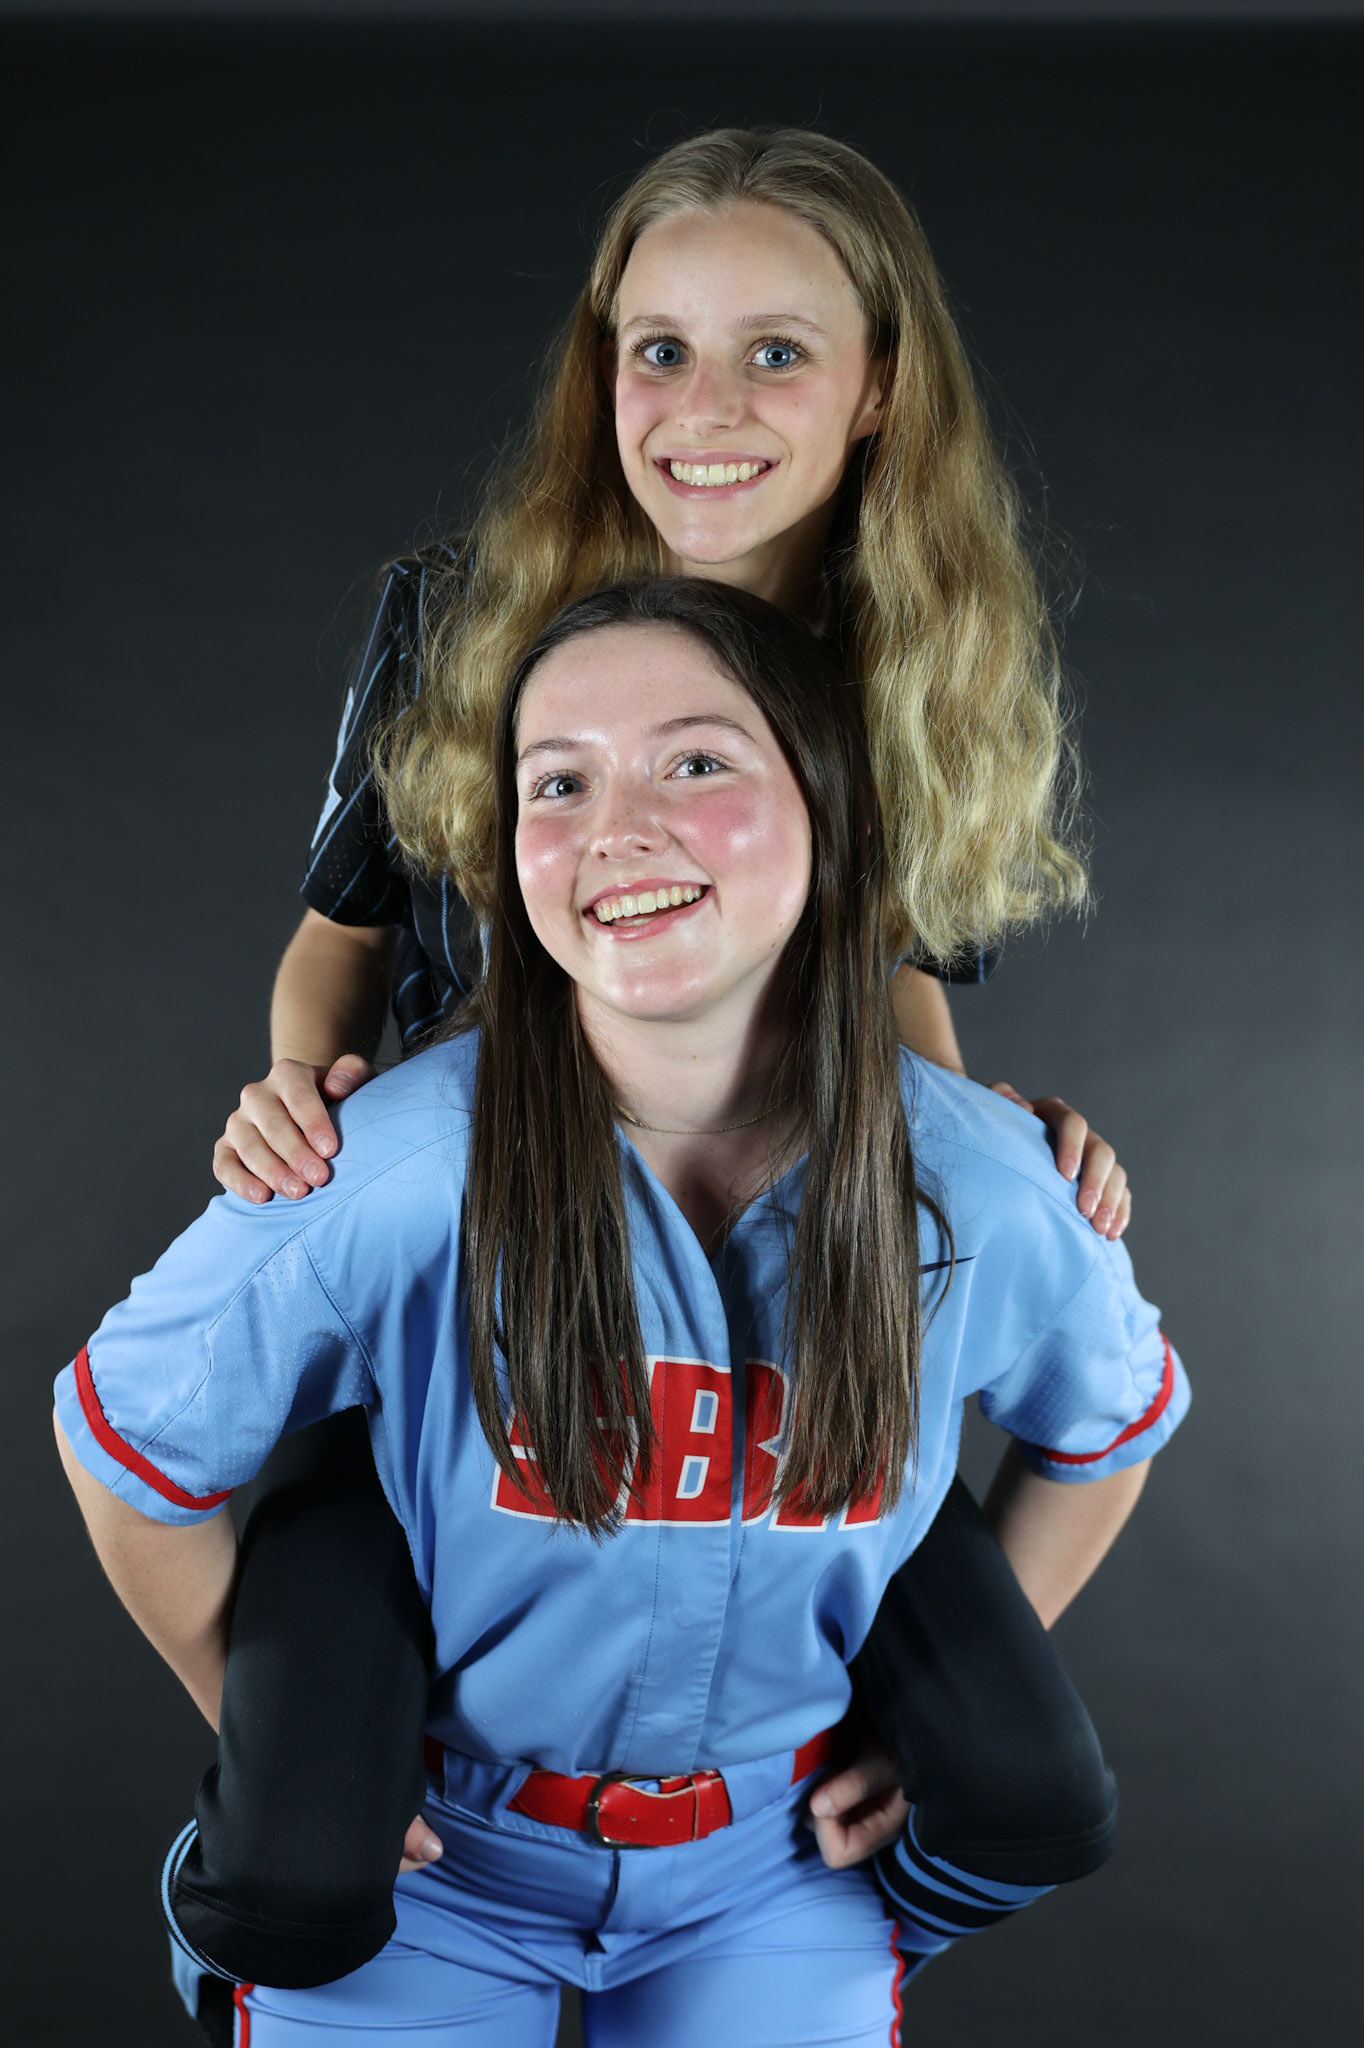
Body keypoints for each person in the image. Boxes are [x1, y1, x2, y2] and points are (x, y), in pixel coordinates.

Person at [164, 127, 1141, 2028]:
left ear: (878, 394)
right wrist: (305, 1098)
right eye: (658, 348)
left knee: (1023, 1785)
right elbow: (336, 940)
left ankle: (776, 1926)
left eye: (778, 352)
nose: (707, 407)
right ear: (600, 367)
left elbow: (895, 998)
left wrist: (988, 1148)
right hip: (490, 1297)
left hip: (777, 1297)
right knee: (305, 1848)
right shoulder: (464, 613)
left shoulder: (906, 666)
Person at [56, 579, 1188, 2048]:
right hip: (448, 1873)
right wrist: (290, 1755)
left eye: (698, 762)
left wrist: (925, 1724)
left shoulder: (980, 1184)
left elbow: (1108, 1428)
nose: (616, 826)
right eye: (560, 782)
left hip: (771, 1870)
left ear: (832, 808)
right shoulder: (395, 1167)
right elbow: (126, 1439)